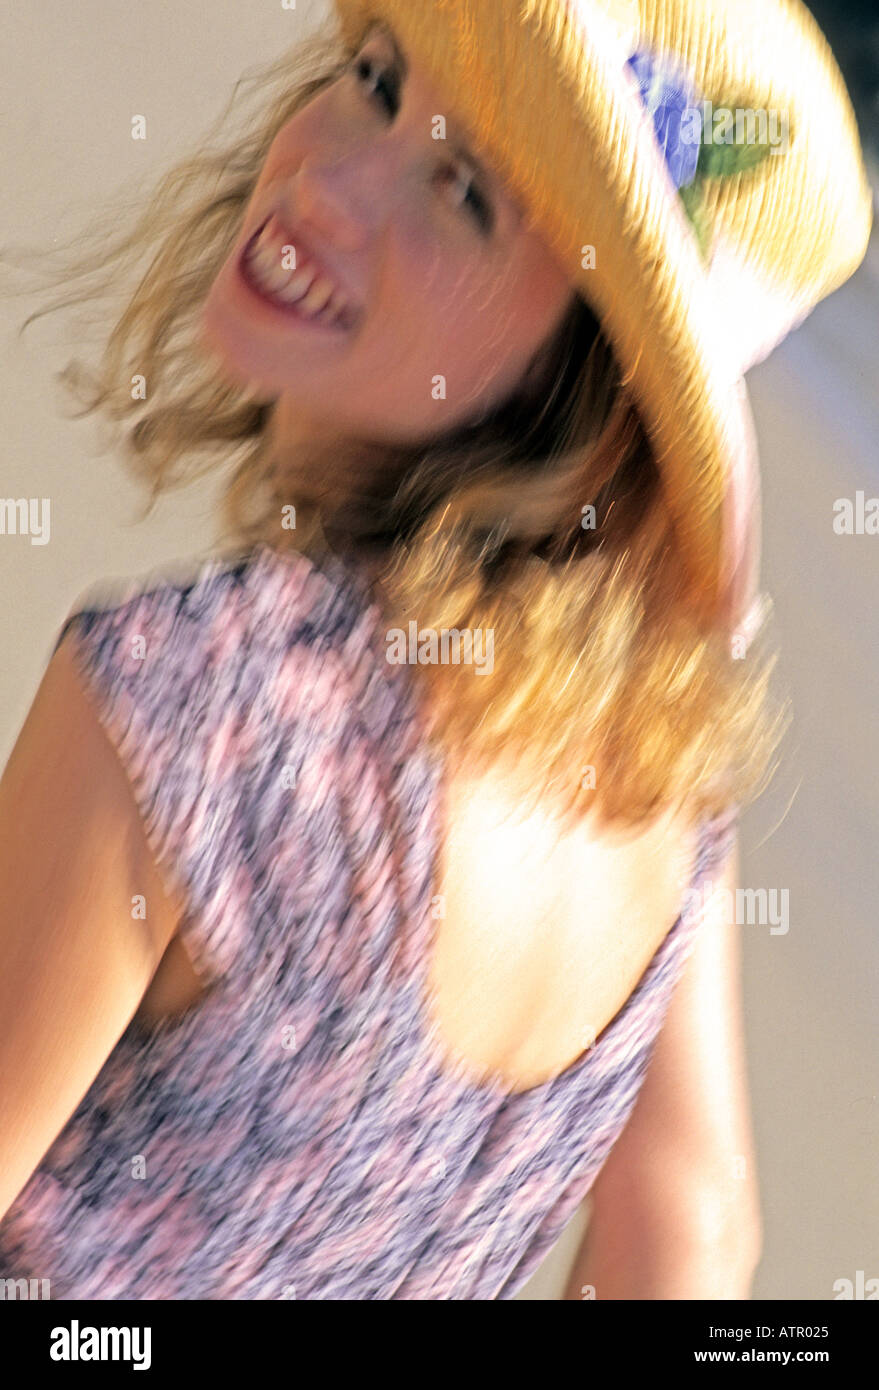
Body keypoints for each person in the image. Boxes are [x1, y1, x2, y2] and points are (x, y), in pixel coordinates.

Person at [0, 0, 870, 1299]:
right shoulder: (653, 789)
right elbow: (688, 1233)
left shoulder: (191, 704)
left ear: (577, 381)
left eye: (466, 191)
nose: (329, 175)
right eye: (373, 76)